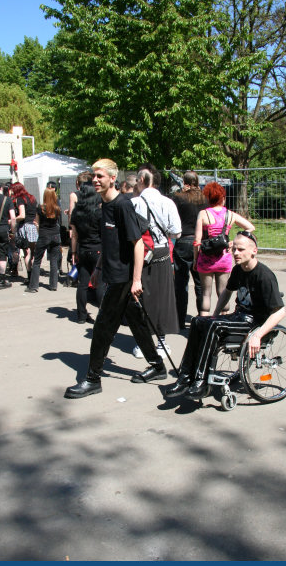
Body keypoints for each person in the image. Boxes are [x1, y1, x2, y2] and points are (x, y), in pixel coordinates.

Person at [64, 158, 167, 399]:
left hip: (124, 278)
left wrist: (137, 280)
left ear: (113, 178)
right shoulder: (104, 206)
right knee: (138, 323)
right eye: (94, 176)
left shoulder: (122, 205)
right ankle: (157, 366)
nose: (95, 180)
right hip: (112, 274)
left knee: (102, 328)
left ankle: (92, 379)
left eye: (100, 176)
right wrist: (99, 269)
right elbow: (110, 244)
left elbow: (138, 244)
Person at [165, 231, 286, 400]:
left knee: (214, 326)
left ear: (254, 251)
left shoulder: (264, 276)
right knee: (199, 321)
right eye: (234, 249)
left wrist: (258, 335)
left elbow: (280, 311)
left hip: (255, 323)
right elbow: (226, 292)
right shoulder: (238, 270)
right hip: (239, 316)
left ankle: (201, 381)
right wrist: (214, 315)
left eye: (241, 249)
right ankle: (185, 377)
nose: (236, 253)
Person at [130, 167, 182, 358]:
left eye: (137, 179)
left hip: (140, 253)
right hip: (162, 253)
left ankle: (143, 344)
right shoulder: (167, 202)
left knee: (141, 299)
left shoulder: (134, 203)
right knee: (163, 299)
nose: (136, 183)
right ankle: (162, 342)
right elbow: (177, 231)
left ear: (143, 179)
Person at [195, 181, 255, 316]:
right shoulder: (230, 214)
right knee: (223, 292)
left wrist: (195, 260)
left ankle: (204, 324)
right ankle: (223, 324)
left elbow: (197, 241)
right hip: (224, 258)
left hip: (205, 260)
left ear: (208, 198)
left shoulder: (203, 214)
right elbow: (250, 227)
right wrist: (234, 242)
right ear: (223, 197)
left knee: (205, 294)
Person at [172, 171, 208, 327]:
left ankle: (179, 320)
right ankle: (202, 317)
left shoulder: (179, 197)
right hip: (200, 242)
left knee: (181, 283)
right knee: (200, 283)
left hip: (183, 240)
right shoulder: (204, 198)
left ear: (184, 182)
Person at [70, 181, 104, 324]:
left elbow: (74, 235)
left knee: (82, 284)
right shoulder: (99, 213)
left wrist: (73, 252)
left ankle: (81, 316)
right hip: (97, 249)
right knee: (100, 283)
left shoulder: (76, 213)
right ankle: (103, 316)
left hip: (82, 248)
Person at [26, 188, 62, 293]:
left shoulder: (40, 208)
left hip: (43, 235)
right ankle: (53, 285)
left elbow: (36, 223)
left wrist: (38, 231)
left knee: (37, 261)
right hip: (55, 235)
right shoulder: (57, 208)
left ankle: (33, 286)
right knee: (54, 260)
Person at [10, 182, 38, 286]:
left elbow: (22, 215)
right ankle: (35, 276)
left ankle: (30, 277)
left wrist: (12, 220)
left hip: (25, 226)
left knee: (27, 253)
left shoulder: (20, 199)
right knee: (33, 253)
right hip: (33, 226)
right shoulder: (31, 197)